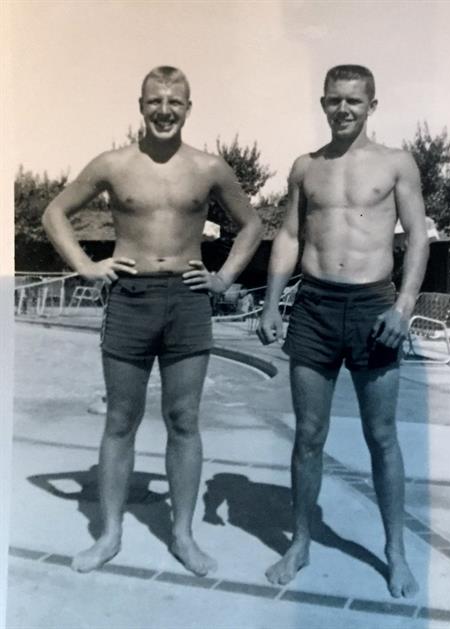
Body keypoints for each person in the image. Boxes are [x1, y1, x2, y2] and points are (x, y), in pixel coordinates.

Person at [42, 65, 263, 576]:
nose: (164, 111)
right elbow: (54, 213)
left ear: (189, 108)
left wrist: (224, 278)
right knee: (121, 420)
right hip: (129, 297)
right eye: (155, 101)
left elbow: (251, 225)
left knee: (184, 421)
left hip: (187, 300)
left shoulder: (209, 168)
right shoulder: (113, 164)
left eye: (175, 102)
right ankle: (110, 534)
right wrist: (86, 266)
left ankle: (183, 535)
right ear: (140, 105)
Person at [257, 64, 429, 598]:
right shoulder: (306, 167)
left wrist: (402, 306)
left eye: (355, 100)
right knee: (308, 436)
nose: (344, 109)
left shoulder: (397, 163)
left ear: (372, 104)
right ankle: (302, 541)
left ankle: (394, 552)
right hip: (314, 307)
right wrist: (269, 303)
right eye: (335, 100)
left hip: (374, 307)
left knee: (382, 437)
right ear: (323, 102)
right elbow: (288, 234)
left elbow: (419, 236)